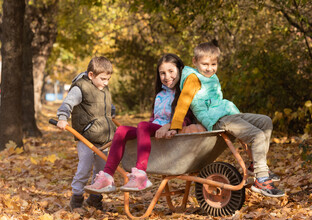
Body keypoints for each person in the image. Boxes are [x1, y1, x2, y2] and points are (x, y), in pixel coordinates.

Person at [165, 41, 285, 198]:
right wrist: (175, 126)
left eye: (213, 64)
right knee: (257, 135)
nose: (210, 68)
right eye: (205, 64)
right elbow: (183, 102)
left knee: (265, 122)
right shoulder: (193, 79)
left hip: (227, 113)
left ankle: (255, 166)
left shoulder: (211, 77)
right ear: (195, 62)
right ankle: (262, 180)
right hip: (215, 119)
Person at [84, 53, 193, 194]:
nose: (167, 77)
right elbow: (154, 119)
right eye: (162, 73)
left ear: (180, 70)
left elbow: (188, 118)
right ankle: (107, 177)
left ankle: (141, 174)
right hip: (154, 130)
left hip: (171, 133)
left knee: (142, 125)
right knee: (122, 130)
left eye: (171, 71)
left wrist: (171, 126)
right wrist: (147, 131)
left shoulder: (184, 94)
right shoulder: (160, 95)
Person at [56, 56, 117, 210]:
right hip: (86, 137)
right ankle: (76, 198)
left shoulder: (103, 87)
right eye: (103, 79)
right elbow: (67, 103)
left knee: (101, 172)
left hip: (104, 138)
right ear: (91, 75)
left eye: (108, 79)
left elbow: (106, 105)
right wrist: (63, 118)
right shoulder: (80, 87)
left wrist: (112, 113)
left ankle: (95, 199)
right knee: (84, 168)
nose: (106, 82)